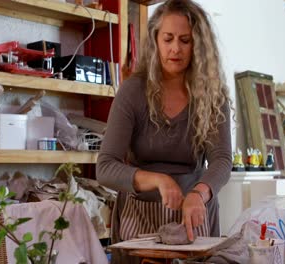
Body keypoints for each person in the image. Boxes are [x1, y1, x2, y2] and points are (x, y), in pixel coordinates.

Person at [96, 0, 232, 261]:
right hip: (138, 216)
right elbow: (105, 167)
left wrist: (198, 194)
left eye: (185, 40)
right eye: (168, 38)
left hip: (195, 214)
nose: (175, 49)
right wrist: (159, 180)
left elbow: (222, 160)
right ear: (155, 40)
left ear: (198, 46)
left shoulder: (212, 95)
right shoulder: (133, 91)